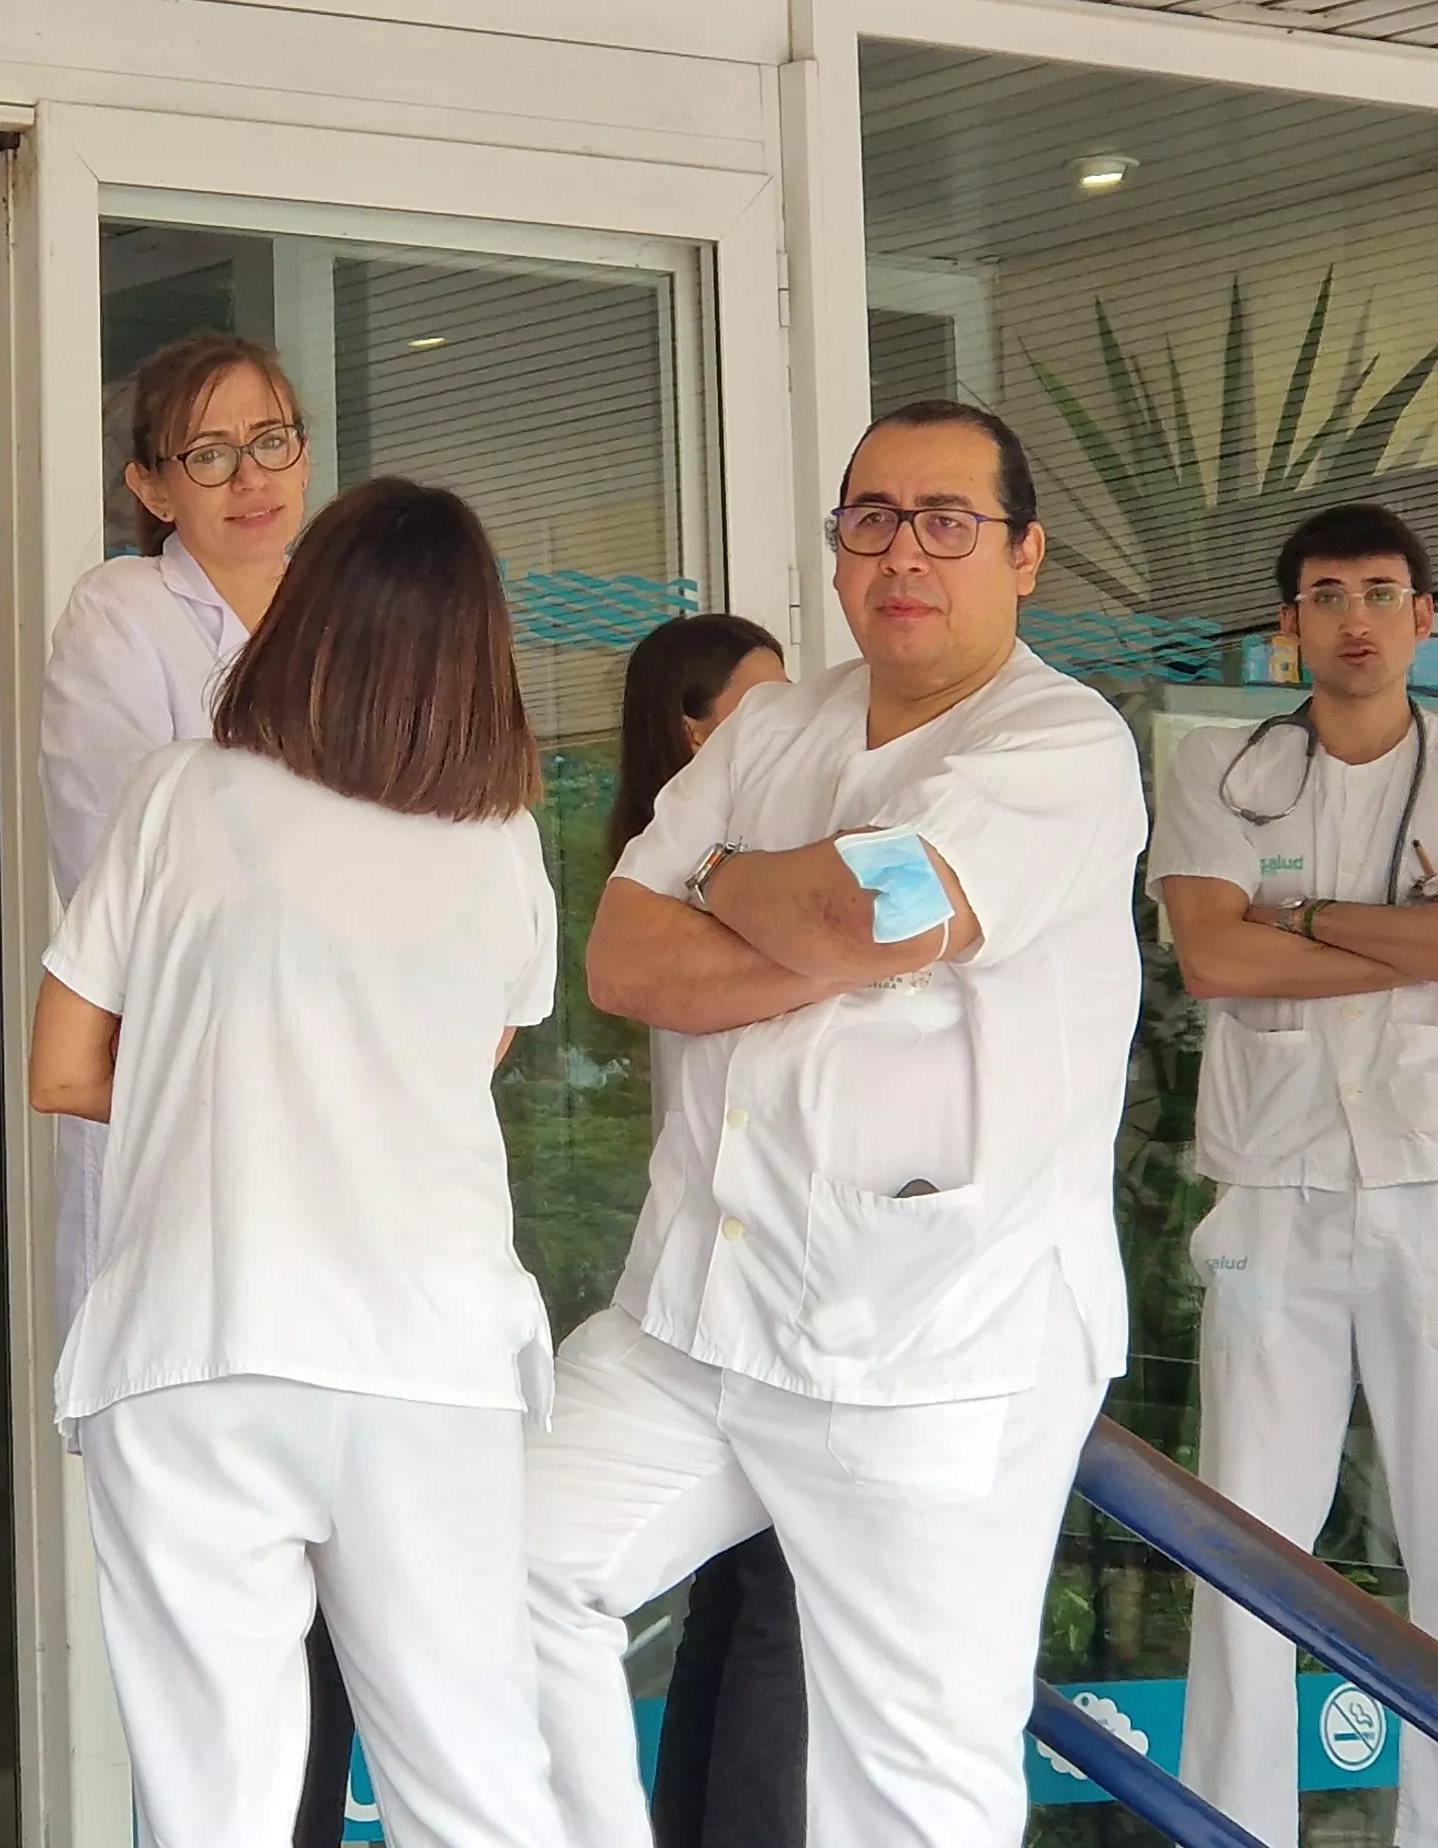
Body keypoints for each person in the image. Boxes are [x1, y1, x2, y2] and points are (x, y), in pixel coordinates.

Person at [521, 400, 1145, 1848]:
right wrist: (820, 919)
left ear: (1025, 553)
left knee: (906, 1783)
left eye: (947, 522)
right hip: (698, 1314)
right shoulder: (777, 727)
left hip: (933, 1333)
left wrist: (742, 887)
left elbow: (881, 910)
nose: (903, 553)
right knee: (488, 1573)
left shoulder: (1060, 743)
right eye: (870, 519)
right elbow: (622, 959)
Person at [29, 477, 562, 1848]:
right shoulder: (500, 842)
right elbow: (454, 1074)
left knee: (218, 1804)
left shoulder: (181, 795)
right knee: (475, 1786)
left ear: (305, 615)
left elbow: (66, 1066)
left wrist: (217, 1100)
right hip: (428, 1357)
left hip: (202, 1337)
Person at [1150, 504, 1438, 1848]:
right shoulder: (1217, 769)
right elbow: (1216, 961)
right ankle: (1237, 1831)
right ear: (1288, 627)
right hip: (1272, 1195)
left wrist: (1311, 920)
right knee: (1245, 1557)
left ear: (1422, 620)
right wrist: (1419, 935)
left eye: (1381, 593)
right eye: (1324, 595)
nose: (1354, 619)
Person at [36, 329, 360, 1843]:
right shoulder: (119, 617)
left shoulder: (358, 616)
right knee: (214, 1660)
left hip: (346, 1183)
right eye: (210, 453)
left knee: (343, 1631)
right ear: (148, 483)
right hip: (185, 1163)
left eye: (276, 441)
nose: (251, 479)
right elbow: (143, 873)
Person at [601, 614, 811, 1848]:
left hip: (738, 1278)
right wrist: (851, 948)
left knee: (743, 1605)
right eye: (762, 703)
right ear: (694, 726)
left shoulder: (701, 865)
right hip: (754, 1281)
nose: (792, 727)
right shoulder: (685, 871)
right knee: (779, 1610)